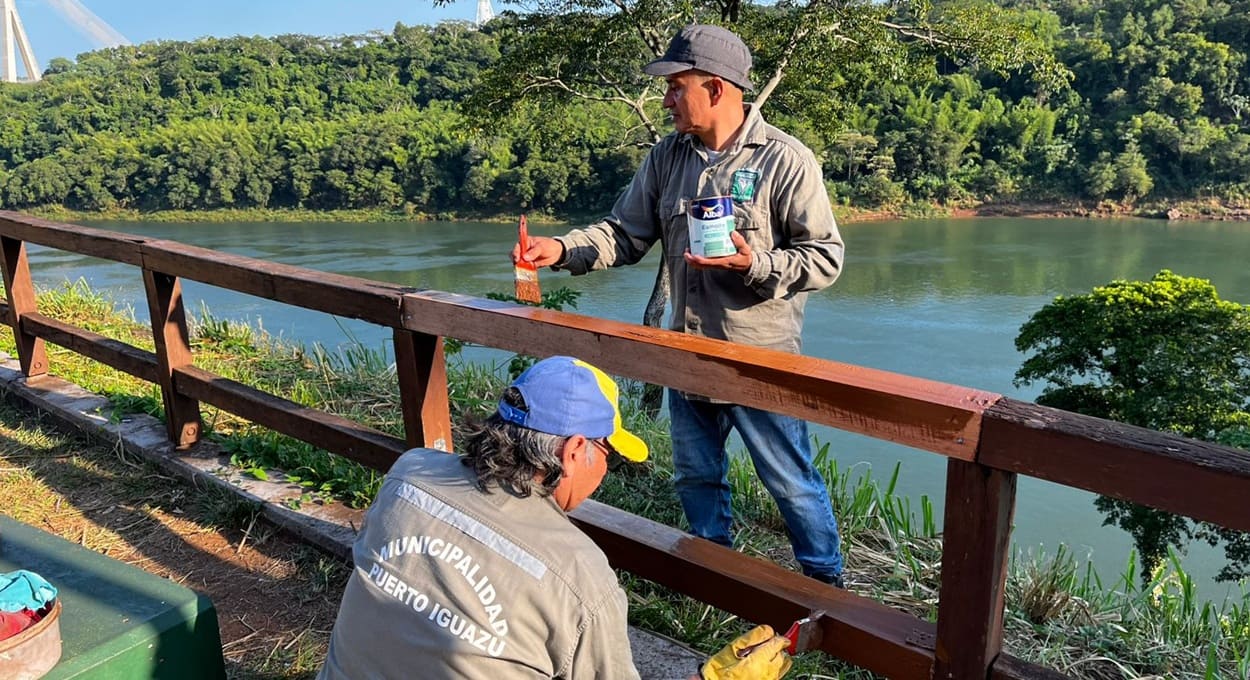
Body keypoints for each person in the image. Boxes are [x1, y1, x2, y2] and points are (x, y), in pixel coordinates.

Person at [514, 25, 846, 587]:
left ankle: (826, 586)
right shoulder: (668, 157)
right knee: (696, 476)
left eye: (675, 86)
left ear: (715, 89)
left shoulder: (785, 161)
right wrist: (562, 248)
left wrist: (756, 264)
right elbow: (625, 232)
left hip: (758, 361)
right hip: (686, 353)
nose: (665, 98)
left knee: (789, 479)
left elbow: (826, 259)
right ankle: (712, 575)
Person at [319, 355, 794, 680]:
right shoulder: (580, 575)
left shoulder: (411, 472)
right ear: (574, 451)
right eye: (607, 452)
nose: (607, 469)